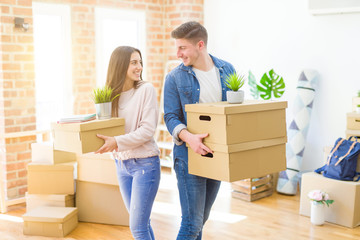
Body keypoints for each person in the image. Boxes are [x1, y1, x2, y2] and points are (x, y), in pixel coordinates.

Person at [163, 21, 236, 239]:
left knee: (201, 219)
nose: (178, 54)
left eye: (182, 47)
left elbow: (233, 112)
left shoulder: (227, 71)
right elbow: (170, 117)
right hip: (188, 157)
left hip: (215, 157)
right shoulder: (175, 77)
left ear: (200, 45)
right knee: (192, 223)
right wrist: (190, 139)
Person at [95, 46, 160, 240]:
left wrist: (116, 141)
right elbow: (107, 127)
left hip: (145, 164)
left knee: (137, 227)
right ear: (120, 65)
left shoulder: (146, 90)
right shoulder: (109, 95)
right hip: (121, 164)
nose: (139, 66)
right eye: (134, 62)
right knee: (141, 223)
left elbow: (147, 131)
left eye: (140, 62)